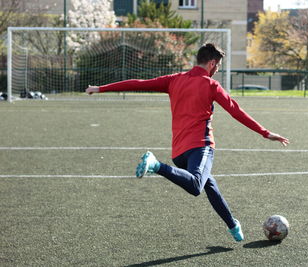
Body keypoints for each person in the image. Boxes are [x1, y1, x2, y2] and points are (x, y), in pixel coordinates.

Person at [86, 43, 289, 242]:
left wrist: (100, 88)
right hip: (201, 147)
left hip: (179, 153)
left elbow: (138, 84)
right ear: (211, 63)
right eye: (217, 66)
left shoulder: (175, 79)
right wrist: (265, 132)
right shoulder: (211, 85)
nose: (217, 71)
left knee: (210, 185)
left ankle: (233, 225)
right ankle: (156, 165)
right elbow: (235, 110)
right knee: (195, 186)